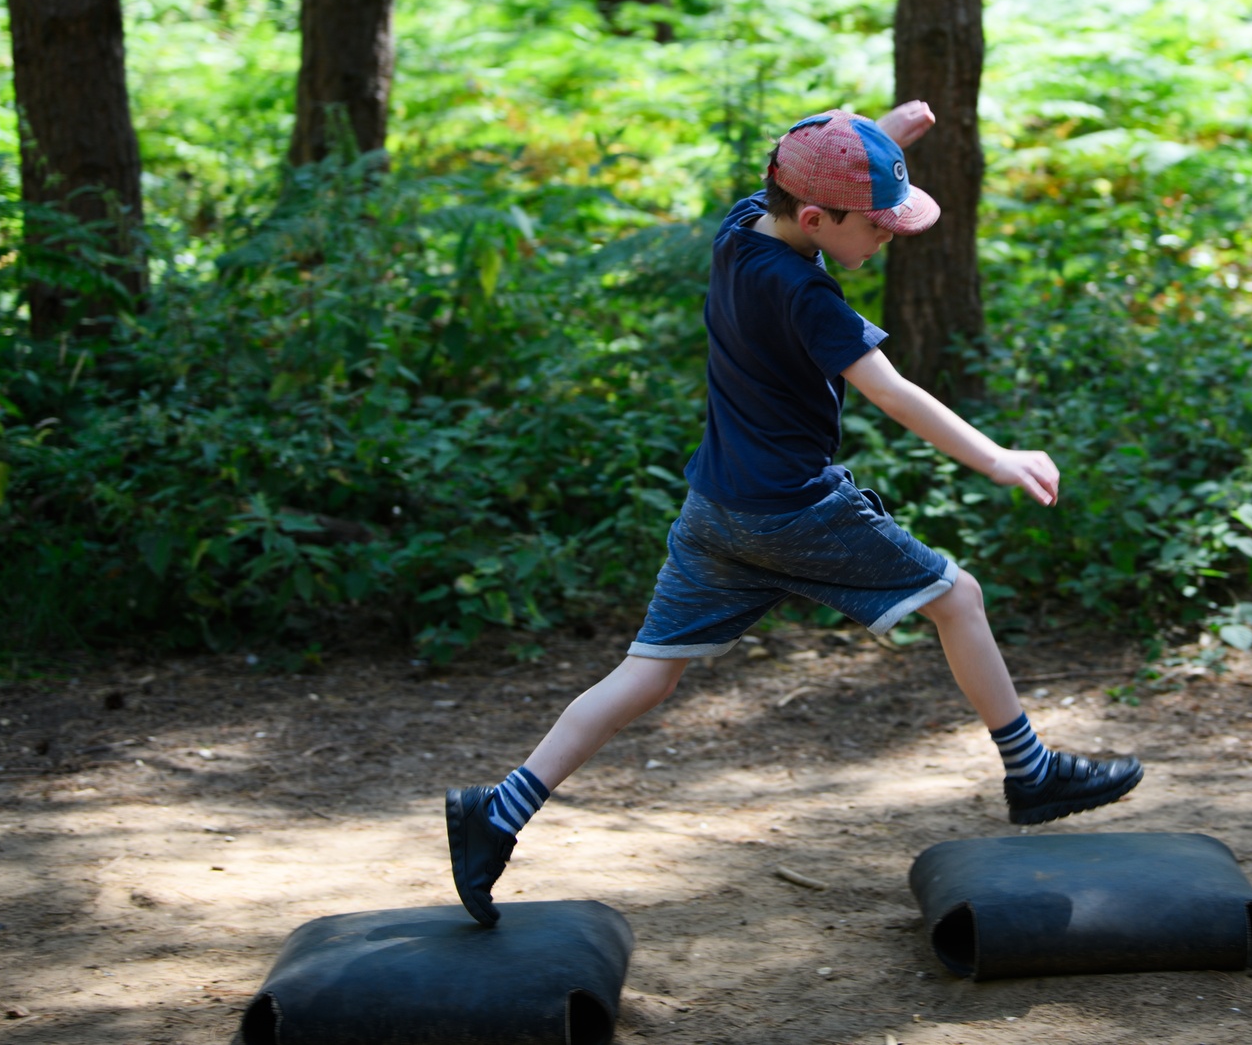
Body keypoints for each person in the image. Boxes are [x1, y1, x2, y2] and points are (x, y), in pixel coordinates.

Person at [446, 103, 1142, 926]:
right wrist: (998, 457)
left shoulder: (742, 229)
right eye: (877, 223)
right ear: (815, 220)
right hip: (793, 509)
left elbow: (805, 172)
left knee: (648, 672)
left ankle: (499, 810)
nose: (886, 235)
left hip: (717, 508)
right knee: (959, 597)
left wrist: (881, 139)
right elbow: (893, 392)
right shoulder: (808, 294)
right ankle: (1031, 771)